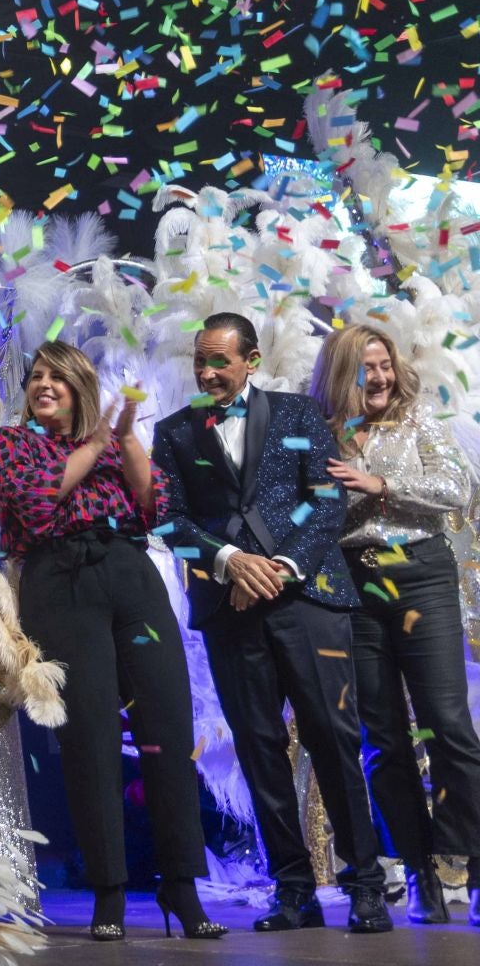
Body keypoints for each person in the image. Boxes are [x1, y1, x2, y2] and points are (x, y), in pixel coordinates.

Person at [150, 312, 389, 933]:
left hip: (308, 597)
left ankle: (364, 883)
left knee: (333, 741)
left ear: (251, 361)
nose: (206, 372)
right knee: (258, 750)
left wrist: (280, 566)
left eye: (219, 361)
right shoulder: (174, 432)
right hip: (231, 610)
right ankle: (294, 892)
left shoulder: (298, 416)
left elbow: (326, 498)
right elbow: (170, 520)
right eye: (199, 362)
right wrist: (229, 562)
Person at [0, 342, 222, 941]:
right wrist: (95, 445)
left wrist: (127, 437)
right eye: (36, 376)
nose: (42, 384)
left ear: (79, 386)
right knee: (89, 734)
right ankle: (109, 891)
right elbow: (37, 503)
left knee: (166, 726)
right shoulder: (13, 443)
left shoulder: (113, 441)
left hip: (129, 574)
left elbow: (155, 509)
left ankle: (181, 886)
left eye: (56, 377)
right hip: (59, 581)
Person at [311, 324, 480, 924]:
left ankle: (473, 863)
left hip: (420, 574)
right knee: (382, 739)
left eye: (384, 365)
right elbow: (304, 511)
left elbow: (457, 489)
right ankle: (419, 874)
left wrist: (380, 486)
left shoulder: (418, 423)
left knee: (448, 726)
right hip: (355, 583)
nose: (378, 378)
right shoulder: (319, 435)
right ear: (340, 376)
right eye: (365, 368)